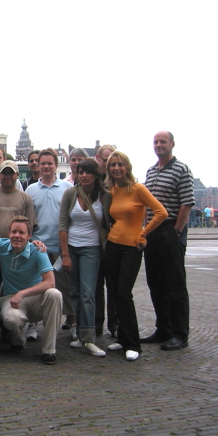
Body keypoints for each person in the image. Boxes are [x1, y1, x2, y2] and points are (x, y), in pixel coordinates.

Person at [104, 151, 167, 361]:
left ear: (127, 167)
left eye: (120, 164)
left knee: (124, 293)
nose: (116, 168)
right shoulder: (112, 190)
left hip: (131, 247)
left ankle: (133, 344)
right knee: (114, 291)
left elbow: (161, 212)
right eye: (112, 165)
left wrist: (143, 233)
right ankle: (122, 338)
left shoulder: (138, 188)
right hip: (112, 245)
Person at [0, 216, 62, 365]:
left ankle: (49, 350)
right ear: (8, 233)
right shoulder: (2, 245)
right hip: (10, 299)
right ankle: (18, 340)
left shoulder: (38, 250)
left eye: (21, 232)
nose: (16, 236)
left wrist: (22, 293)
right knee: (11, 319)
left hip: (35, 299)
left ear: (29, 236)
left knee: (55, 294)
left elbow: (50, 282)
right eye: (13, 232)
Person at [142, 130, 195, 351]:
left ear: (172, 144)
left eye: (163, 141)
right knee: (156, 283)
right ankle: (163, 327)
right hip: (152, 230)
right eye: (156, 142)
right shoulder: (151, 171)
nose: (159, 145)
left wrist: (176, 232)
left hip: (170, 228)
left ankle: (179, 333)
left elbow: (187, 203)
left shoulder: (181, 169)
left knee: (175, 284)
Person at [58, 158, 111, 357]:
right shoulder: (70, 193)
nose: (84, 176)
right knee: (76, 293)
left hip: (92, 249)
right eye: (80, 172)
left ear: (96, 175)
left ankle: (89, 339)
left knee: (88, 293)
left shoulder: (105, 196)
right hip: (71, 248)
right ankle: (81, 334)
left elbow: (110, 221)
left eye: (88, 172)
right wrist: (65, 255)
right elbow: (62, 224)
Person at [26, 149, 74, 337]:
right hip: (39, 247)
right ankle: (32, 324)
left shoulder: (66, 188)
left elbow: (72, 217)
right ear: (38, 165)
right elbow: (29, 219)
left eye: (49, 163)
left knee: (66, 287)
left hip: (61, 247)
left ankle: (72, 321)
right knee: (36, 287)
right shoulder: (31, 190)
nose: (46, 167)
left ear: (55, 165)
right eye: (42, 163)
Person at [93, 144, 118, 337]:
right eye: (106, 160)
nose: (109, 165)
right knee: (96, 285)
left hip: (114, 242)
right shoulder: (92, 183)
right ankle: (97, 323)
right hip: (94, 241)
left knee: (114, 284)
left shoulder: (118, 184)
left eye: (112, 161)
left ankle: (115, 324)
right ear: (98, 159)